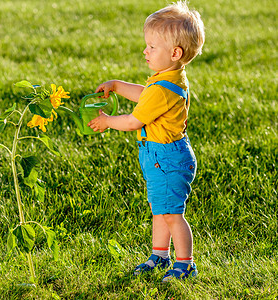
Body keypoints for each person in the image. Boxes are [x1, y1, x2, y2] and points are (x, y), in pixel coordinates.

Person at [88, 1, 205, 282]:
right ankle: (160, 255)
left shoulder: (166, 87)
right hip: (161, 156)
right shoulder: (167, 78)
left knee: (172, 215)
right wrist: (117, 84)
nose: (145, 51)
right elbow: (146, 93)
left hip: (168, 158)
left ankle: (185, 263)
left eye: (152, 47)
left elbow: (133, 121)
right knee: (160, 211)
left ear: (175, 53)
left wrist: (106, 121)